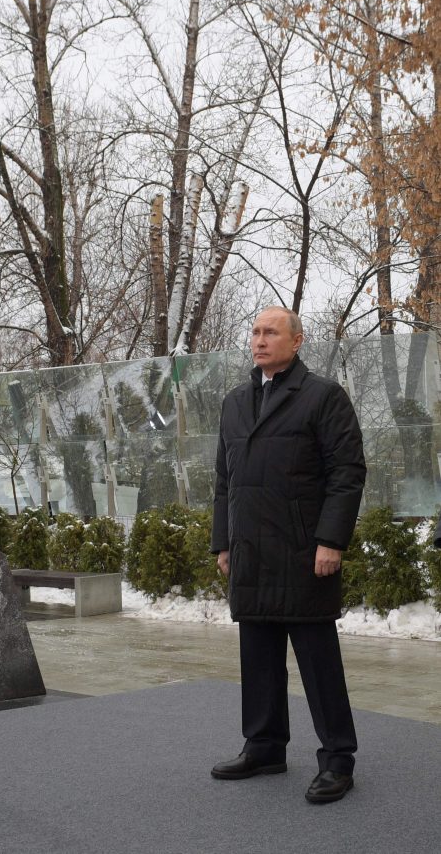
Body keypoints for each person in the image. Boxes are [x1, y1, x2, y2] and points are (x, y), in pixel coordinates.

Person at [210, 306, 366, 804]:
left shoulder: (323, 397)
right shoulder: (235, 402)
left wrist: (332, 540)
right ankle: (264, 746)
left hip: (304, 551)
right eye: (254, 332)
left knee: (318, 661)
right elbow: (222, 480)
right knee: (257, 656)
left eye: (270, 332)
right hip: (251, 549)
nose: (259, 340)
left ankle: (338, 759)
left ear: (296, 341)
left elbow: (347, 472)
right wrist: (224, 540)